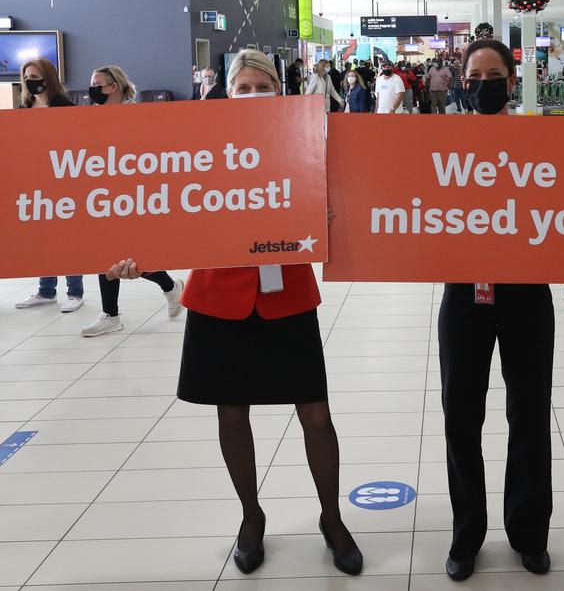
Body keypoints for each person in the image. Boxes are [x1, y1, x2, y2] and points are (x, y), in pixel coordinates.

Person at [105, 50, 362, 577]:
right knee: (231, 413)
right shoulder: (200, 146)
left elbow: (333, 201)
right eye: (241, 87)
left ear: (277, 88)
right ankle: (251, 517)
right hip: (219, 295)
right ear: (226, 91)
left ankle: (332, 519)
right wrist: (138, 256)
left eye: (260, 86)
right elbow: (165, 205)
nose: (250, 95)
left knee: (315, 411)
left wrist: (329, 210)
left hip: (286, 292)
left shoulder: (304, 138)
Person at [440, 39, 554, 582]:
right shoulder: (442, 144)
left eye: (494, 74)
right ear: (463, 81)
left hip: (527, 292)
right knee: (461, 414)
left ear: (512, 81)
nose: (484, 83)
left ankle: (529, 530)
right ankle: (467, 535)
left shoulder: (541, 141)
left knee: (529, 413)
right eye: (475, 74)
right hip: (464, 294)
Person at [80, 65, 184, 337]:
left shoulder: (136, 115)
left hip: (132, 195)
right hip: (102, 195)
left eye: (97, 83)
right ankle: (111, 314)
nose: (92, 88)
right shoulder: (89, 118)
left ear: (113, 87)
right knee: (105, 254)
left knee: (133, 258)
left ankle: (171, 287)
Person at [15, 58, 85, 313]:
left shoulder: (64, 106)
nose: (31, 82)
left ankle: (75, 291)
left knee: (66, 237)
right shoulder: (26, 106)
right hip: (36, 179)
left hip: (62, 177)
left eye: (36, 77)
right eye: (27, 78)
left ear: (48, 79)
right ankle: (46, 290)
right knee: (43, 237)